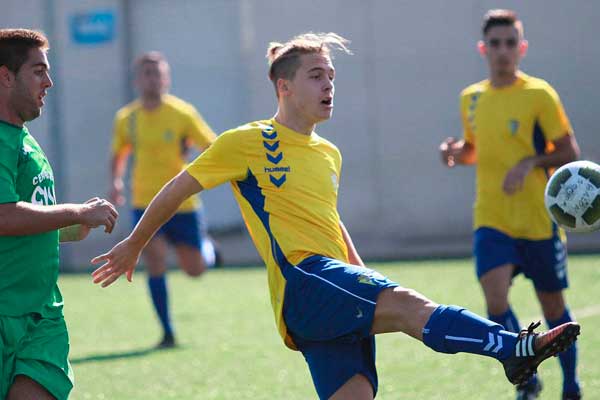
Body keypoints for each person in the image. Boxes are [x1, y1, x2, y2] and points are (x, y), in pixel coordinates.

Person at [93, 32, 579, 400]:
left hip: (332, 283)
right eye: (316, 76)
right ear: (284, 87)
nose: (329, 85)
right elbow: (178, 186)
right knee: (411, 306)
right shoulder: (246, 141)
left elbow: (330, 217)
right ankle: (512, 349)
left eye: (332, 76)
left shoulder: (329, 152)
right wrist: (135, 243)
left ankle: (510, 351)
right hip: (303, 280)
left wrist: (359, 266)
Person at [439, 9, 582, 400]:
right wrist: (456, 152)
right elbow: (474, 149)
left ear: (522, 47)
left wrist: (531, 162)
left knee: (552, 306)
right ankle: (528, 374)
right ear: (483, 49)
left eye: (510, 43)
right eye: (495, 44)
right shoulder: (471, 97)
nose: (502, 51)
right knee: (495, 299)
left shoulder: (539, 94)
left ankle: (571, 384)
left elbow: (569, 151)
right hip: (491, 216)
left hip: (538, 218)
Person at [0, 29, 118, 400]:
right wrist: (77, 210)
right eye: (38, 71)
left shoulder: (26, 139)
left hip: (41, 316)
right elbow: (3, 216)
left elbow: (23, 218)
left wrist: (67, 227)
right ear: (5, 76)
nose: (49, 82)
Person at [110, 51, 219, 348]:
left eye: (157, 73)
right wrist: (116, 182)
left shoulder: (183, 113)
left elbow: (212, 145)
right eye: (147, 73)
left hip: (182, 204)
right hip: (144, 202)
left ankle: (209, 249)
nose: (152, 79)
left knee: (194, 270)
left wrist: (198, 161)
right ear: (137, 80)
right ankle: (167, 332)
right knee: (154, 260)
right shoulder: (127, 119)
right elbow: (119, 152)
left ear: (166, 78)